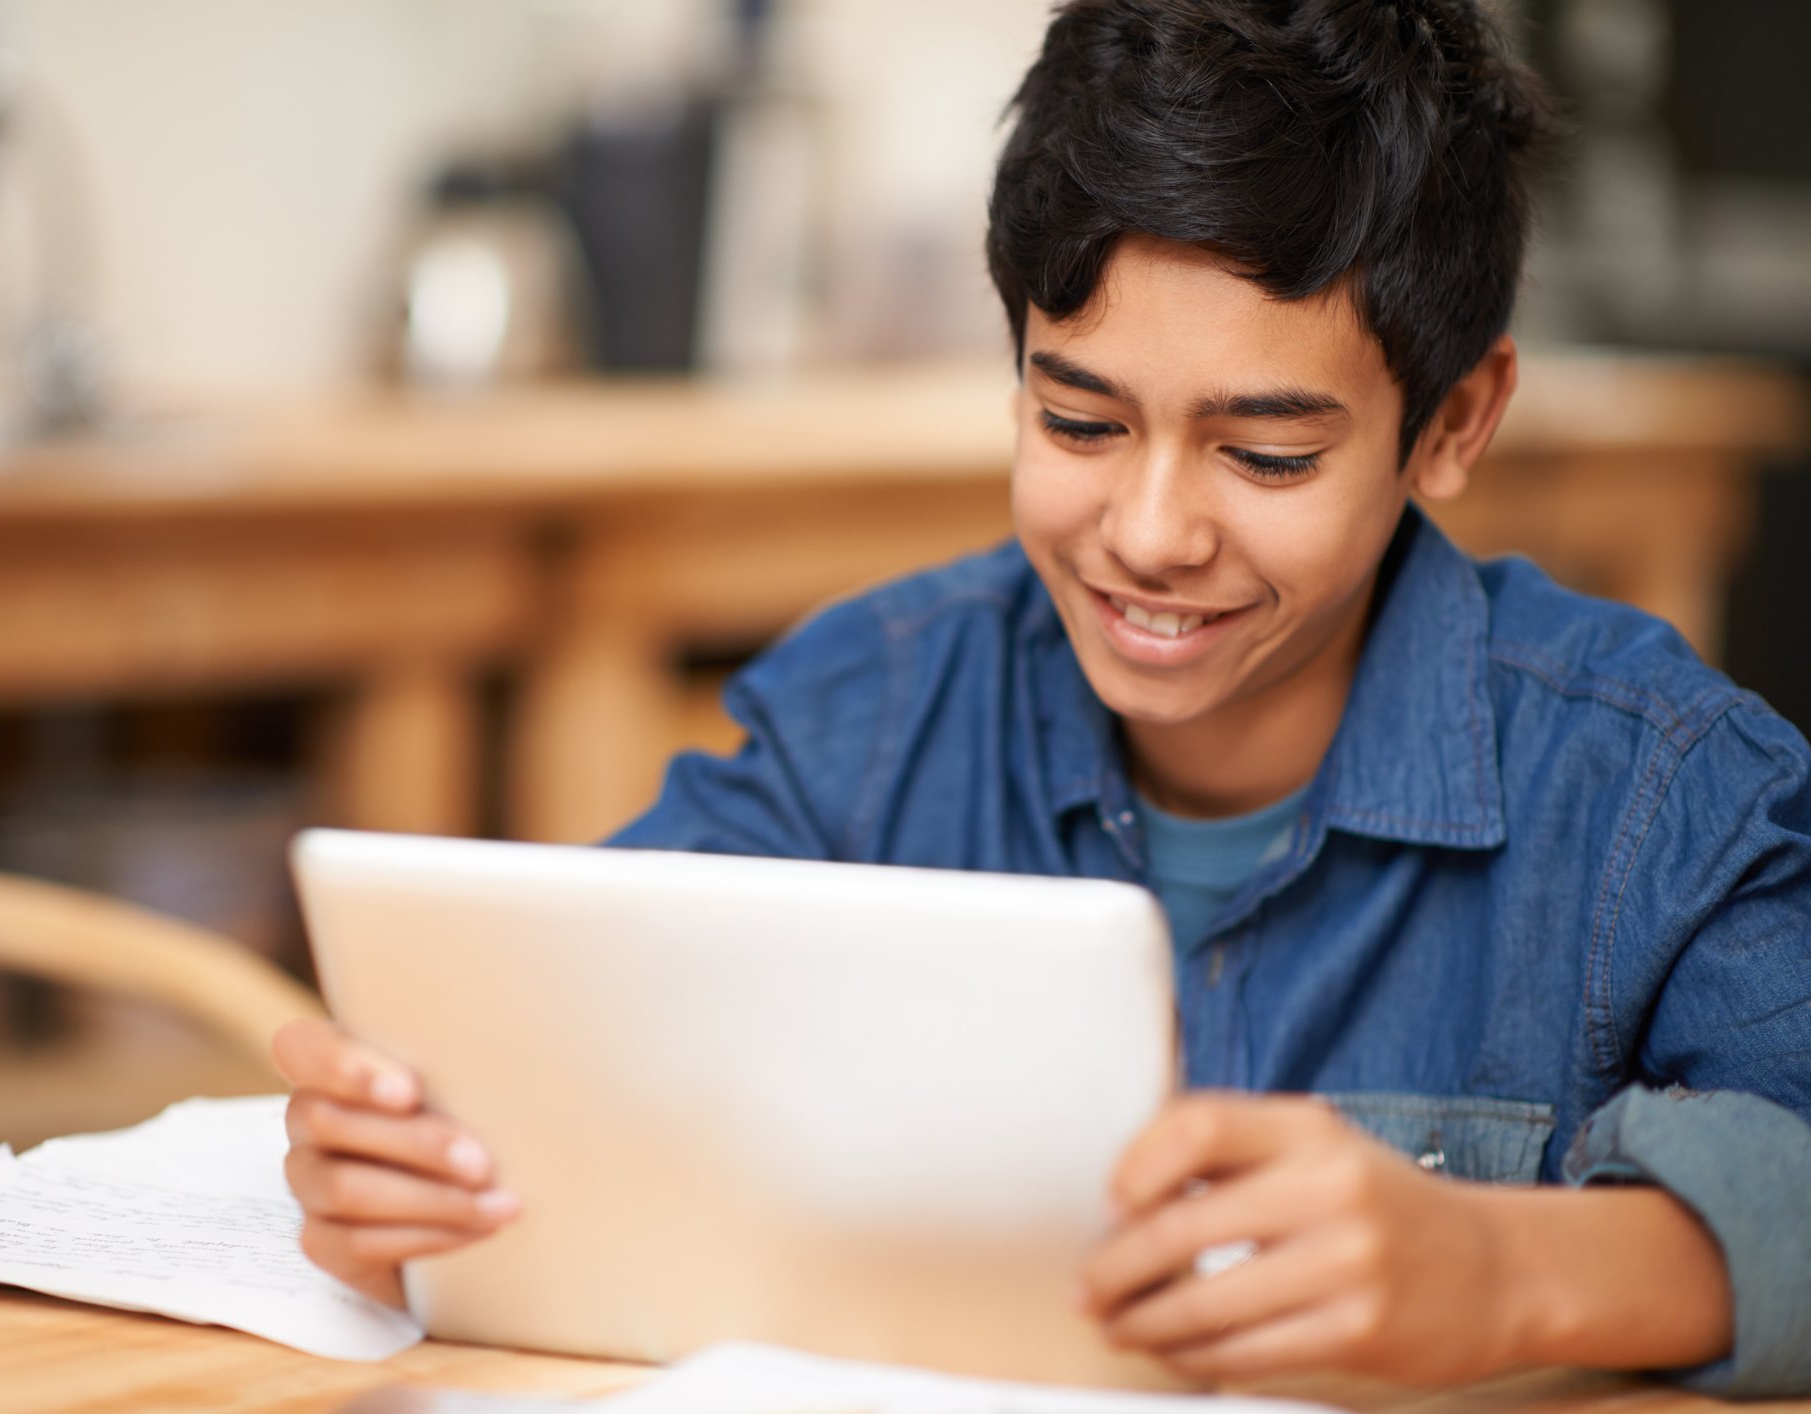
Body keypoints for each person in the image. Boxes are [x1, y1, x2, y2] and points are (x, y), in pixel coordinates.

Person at [273, 0, 1811, 1394]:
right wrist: (415, 1180)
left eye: (1266, 455)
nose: (1149, 532)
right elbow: (564, 1069)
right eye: (1079, 422)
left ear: (1456, 422)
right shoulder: (863, 723)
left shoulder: (1653, 790)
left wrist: (1505, 1269)